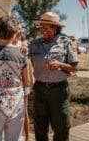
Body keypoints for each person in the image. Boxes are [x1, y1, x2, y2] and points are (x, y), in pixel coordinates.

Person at [28, 12, 79, 141]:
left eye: (46, 27)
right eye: (41, 27)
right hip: (39, 89)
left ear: (55, 28)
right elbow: (24, 59)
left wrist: (60, 64)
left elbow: (74, 67)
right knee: (40, 126)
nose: (42, 30)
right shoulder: (34, 44)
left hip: (59, 90)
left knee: (61, 125)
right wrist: (23, 49)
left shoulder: (65, 43)